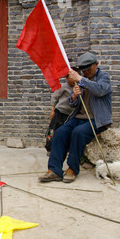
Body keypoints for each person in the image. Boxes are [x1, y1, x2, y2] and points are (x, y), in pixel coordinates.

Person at [39, 52, 112, 183]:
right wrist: (73, 97)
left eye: (89, 69)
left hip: (97, 119)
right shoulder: (82, 79)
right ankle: (55, 170)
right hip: (79, 117)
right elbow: (74, 104)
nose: (86, 72)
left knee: (78, 133)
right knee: (60, 132)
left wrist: (80, 79)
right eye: (84, 70)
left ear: (96, 64)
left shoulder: (103, 77)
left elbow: (100, 90)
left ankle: (72, 168)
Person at [45, 67, 81, 153]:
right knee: (53, 130)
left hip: (71, 115)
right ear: (67, 78)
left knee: (67, 132)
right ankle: (50, 148)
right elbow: (55, 97)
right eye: (70, 77)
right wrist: (52, 110)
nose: (73, 79)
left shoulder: (79, 88)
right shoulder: (63, 86)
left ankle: (66, 148)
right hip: (60, 113)